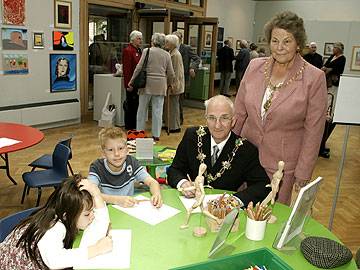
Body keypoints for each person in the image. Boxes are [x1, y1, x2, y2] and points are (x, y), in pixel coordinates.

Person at [233, 11, 328, 205]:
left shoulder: (314, 78)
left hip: (281, 167)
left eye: (287, 41)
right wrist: (226, 153)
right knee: (239, 212)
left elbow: (314, 131)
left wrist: (303, 172)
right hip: (246, 158)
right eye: (275, 41)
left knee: (272, 220)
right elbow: (239, 114)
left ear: (298, 44)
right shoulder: (254, 67)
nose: (280, 48)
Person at [167, 95, 270, 207]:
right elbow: (174, 170)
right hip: (190, 206)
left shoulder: (245, 149)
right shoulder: (192, 136)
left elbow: (263, 185)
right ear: (206, 119)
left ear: (233, 121)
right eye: (212, 118)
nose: (217, 125)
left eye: (224, 118)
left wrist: (236, 200)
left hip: (223, 214)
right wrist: (183, 183)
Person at [0, 175, 112, 269]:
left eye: (93, 210)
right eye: (87, 214)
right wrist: (96, 249)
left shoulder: (63, 211)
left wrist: (97, 194)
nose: (93, 216)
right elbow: (55, 261)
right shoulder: (54, 227)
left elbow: (101, 222)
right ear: (67, 215)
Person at [88, 127, 163, 208]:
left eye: (120, 148)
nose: (116, 154)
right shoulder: (97, 167)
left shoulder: (132, 162)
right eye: (110, 150)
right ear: (103, 154)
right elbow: (90, 193)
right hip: (107, 210)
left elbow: (152, 182)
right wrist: (117, 200)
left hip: (129, 209)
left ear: (127, 150)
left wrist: (156, 194)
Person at [129, 33, 175, 141]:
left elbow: (138, 68)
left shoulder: (147, 51)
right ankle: (156, 134)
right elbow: (171, 73)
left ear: (153, 41)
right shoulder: (167, 54)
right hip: (160, 86)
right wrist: (170, 83)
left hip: (146, 84)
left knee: (142, 110)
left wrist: (132, 81)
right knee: (157, 111)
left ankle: (140, 132)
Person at [319, 42, 346, 158]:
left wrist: (328, 69)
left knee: (330, 105)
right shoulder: (332, 57)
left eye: (335, 47)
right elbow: (326, 66)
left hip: (333, 84)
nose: (333, 49)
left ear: (339, 49)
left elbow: (336, 69)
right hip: (327, 84)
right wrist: (327, 69)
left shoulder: (342, 58)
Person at [172, 31, 201, 125]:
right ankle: (170, 119)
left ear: (180, 39)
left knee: (180, 99)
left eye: (175, 38)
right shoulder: (169, 48)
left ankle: (179, 120)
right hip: (172, 77)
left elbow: (197, 59)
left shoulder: (186, 48)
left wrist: (192, 67)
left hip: (183, 77)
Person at [164, 34, 184, 133]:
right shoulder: (172, 53)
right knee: (170, 106)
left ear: (172, 43)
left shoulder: (175, 55)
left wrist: (173, 85)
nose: (165, 44)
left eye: (167, 42)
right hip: (173, 84)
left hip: (175, 85)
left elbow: (176, 72)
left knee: (174, 106)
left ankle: (175, 126)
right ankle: (169, 124)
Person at [122, 30, 143, 130]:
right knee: (130, 105)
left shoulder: (139, 50)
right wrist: (128, 84)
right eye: (139, 38)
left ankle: (135, 125)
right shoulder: (128, 50)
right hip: (131, 83)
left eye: (141, 39)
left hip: (138, 83)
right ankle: (129, 126)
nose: (141, 41)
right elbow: (127, 69)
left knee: (136, 106)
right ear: (133, 39)